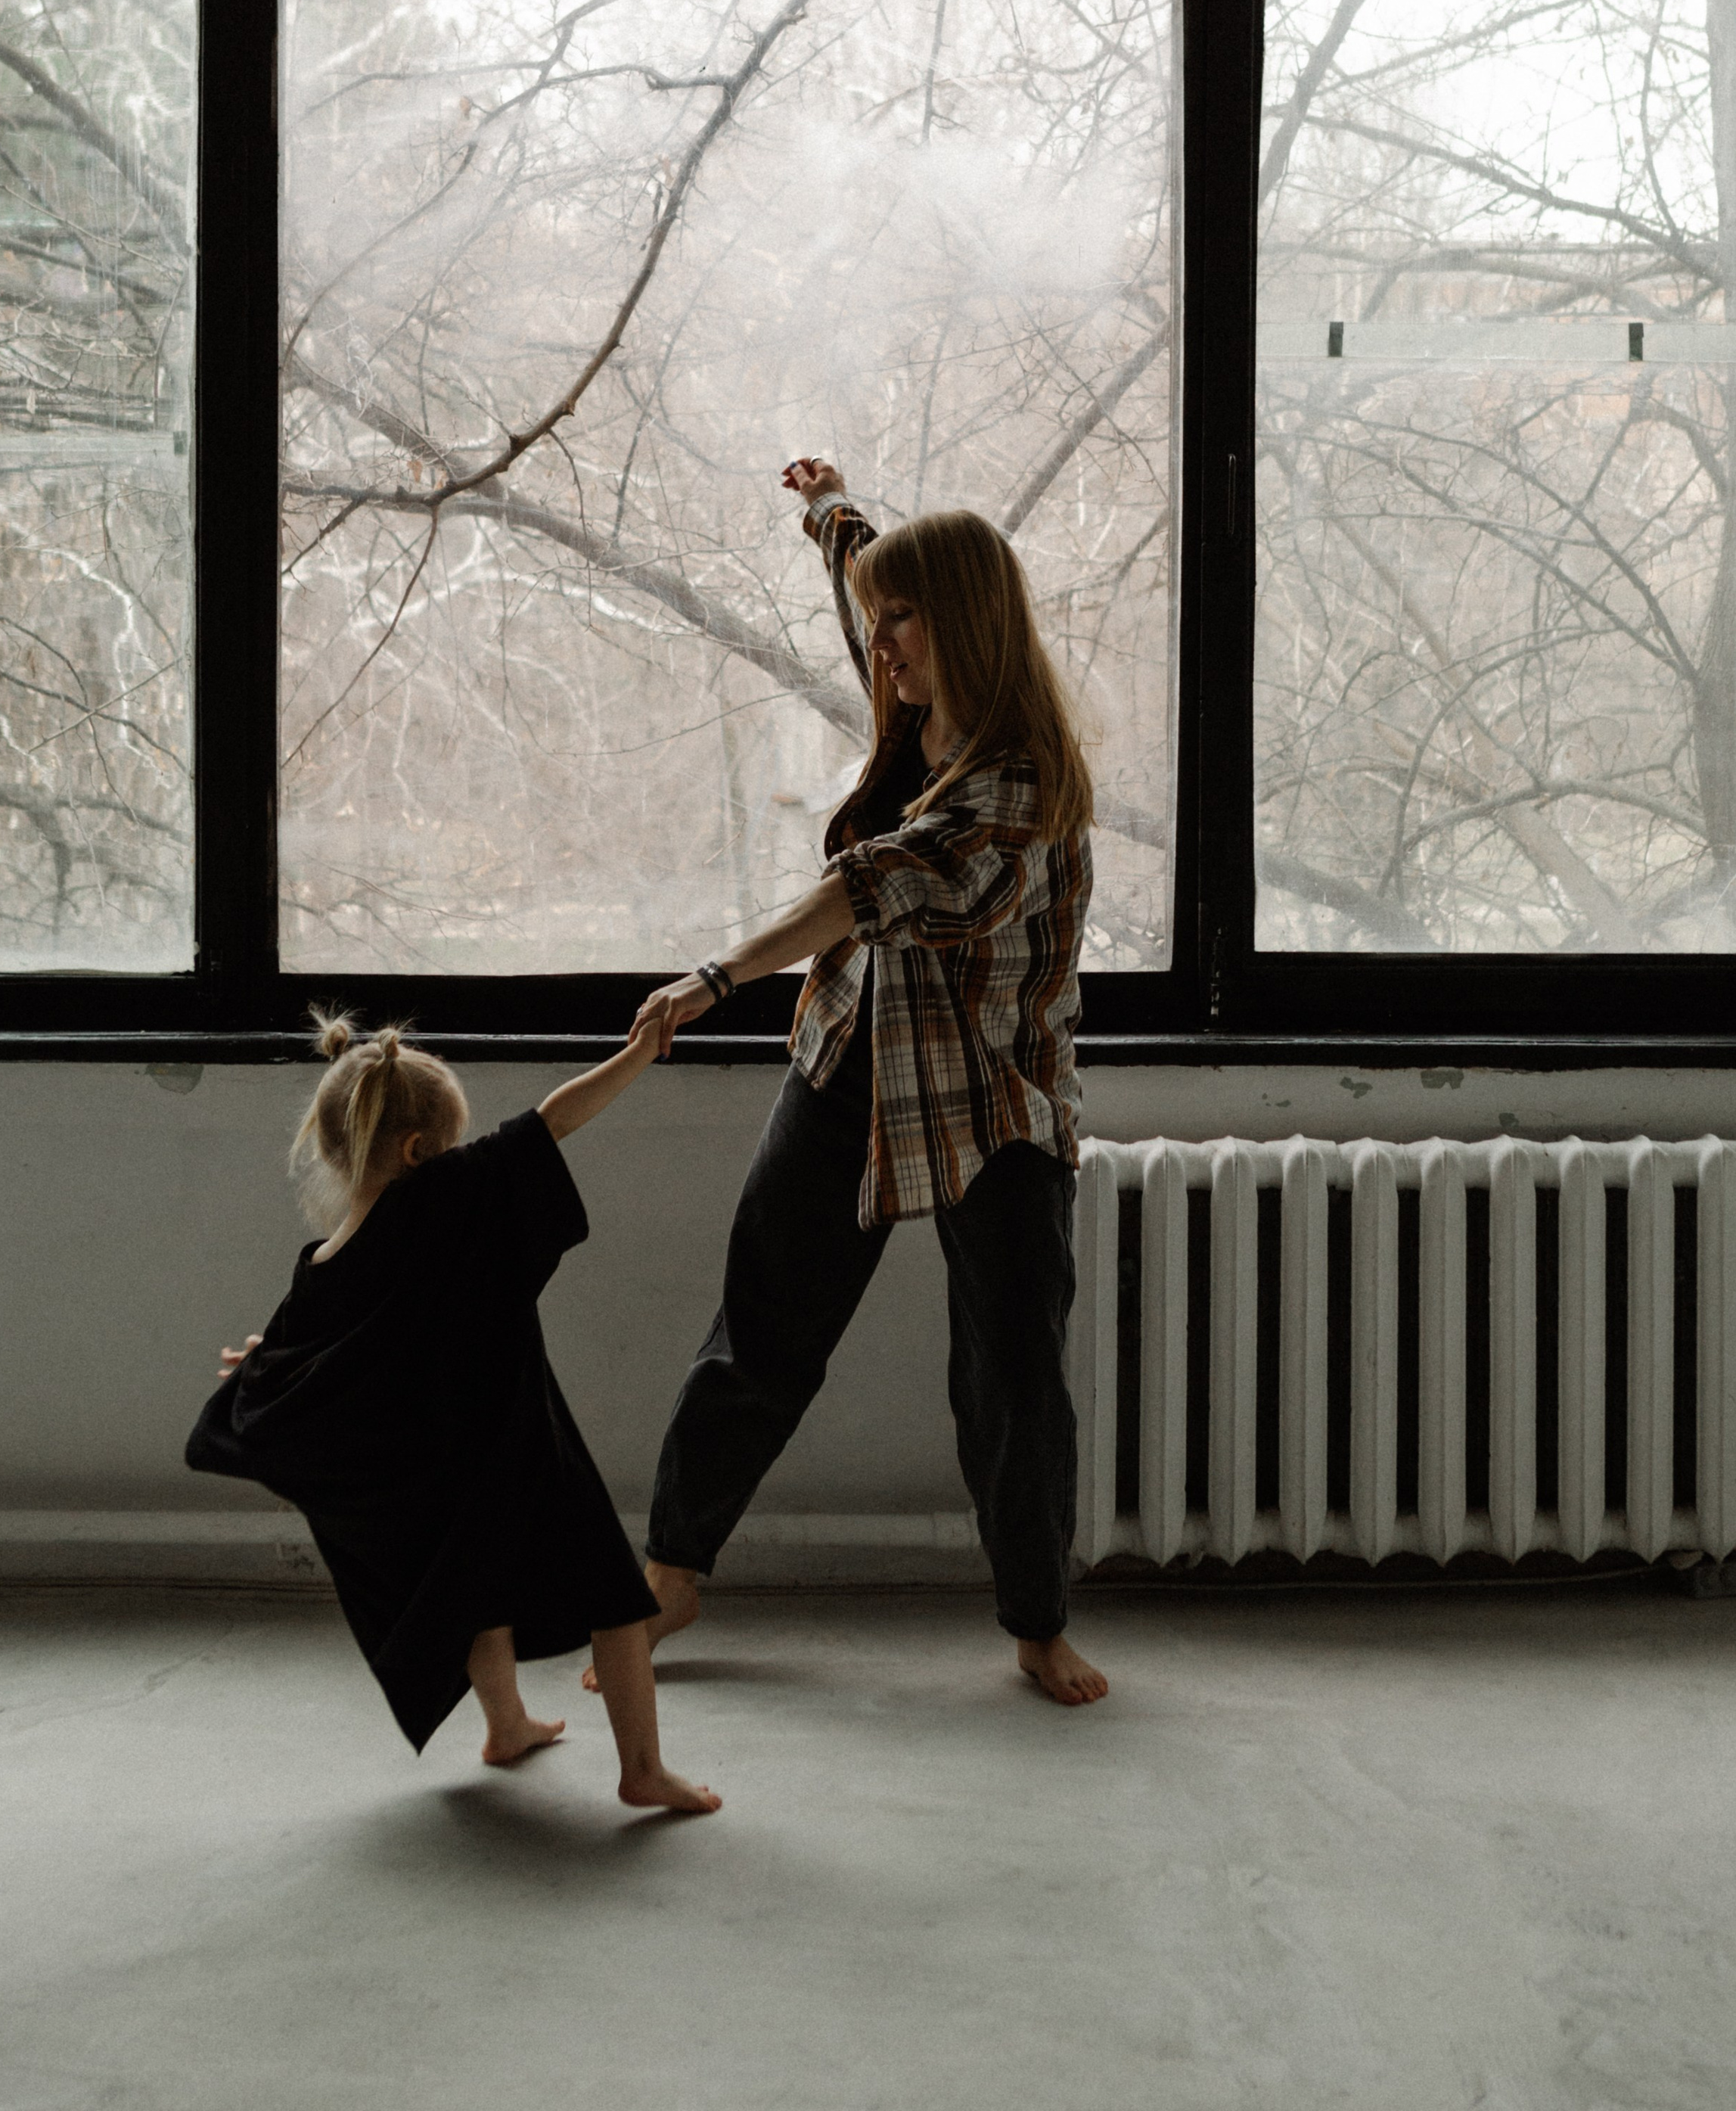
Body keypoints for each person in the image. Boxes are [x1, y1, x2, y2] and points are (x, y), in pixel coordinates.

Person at [612, 458, 1107, 1709]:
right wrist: (833, 518)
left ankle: (1038, 1625)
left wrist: (712, 982)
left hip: (991, 1101)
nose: (876, 647)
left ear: (963, 629)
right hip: (853, 1056)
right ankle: (671, 1570)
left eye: (900, 625)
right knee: (762, 1328)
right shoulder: (921, 699)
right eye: (875, 624)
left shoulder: (1022, 787)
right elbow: (868, 585)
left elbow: (861, 890)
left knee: (1011, 1376)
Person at [187, 1011, 720, 1814]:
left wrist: (262, 1359)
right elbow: (554, 1119)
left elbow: (317, 1345)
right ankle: (642, 1770)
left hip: (443, 1477)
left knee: (474, 1597)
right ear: (418, 1151)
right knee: (616, 1608)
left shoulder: (327, 1258)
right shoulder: (446, 1197)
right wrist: (637, 1052)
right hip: (523, 1449)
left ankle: (507, 1728)